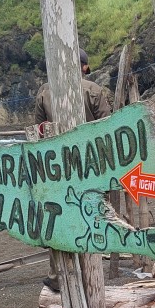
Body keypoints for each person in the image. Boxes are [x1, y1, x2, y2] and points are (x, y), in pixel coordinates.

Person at [34, 48, 113, 292]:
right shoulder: (94, 90)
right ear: (85, 67)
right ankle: (92, 273)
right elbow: (107, 126)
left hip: (57, 165)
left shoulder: (45, 91)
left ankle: (58, 275)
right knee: (92, 214)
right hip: (91, 163)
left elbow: (39, 130)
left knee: (58, 215)